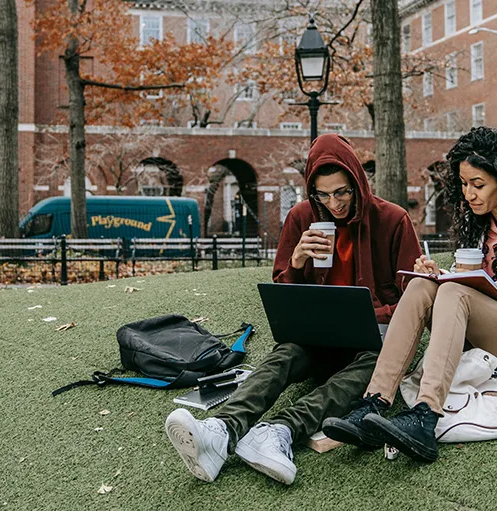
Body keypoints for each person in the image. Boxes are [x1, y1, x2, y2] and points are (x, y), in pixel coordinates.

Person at [164, 134, 422, 484]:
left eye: (343, 192)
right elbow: (284, 296)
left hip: (371, 341)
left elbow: (413, 300)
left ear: (359, 183)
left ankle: (279, 431)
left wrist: (373, 312)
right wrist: (298, 261)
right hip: (317, 338)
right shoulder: (301, 217)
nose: (335, 203)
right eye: (323, 194)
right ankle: (220, 431)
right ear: (311, 191)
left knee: (374, 365)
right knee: (284, 354)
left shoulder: (393, 219)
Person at [323, 126, 497, 462]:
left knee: (455, 294)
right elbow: (474, 287)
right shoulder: (479, 226)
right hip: (482, 333)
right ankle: (373, 402)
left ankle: (425, 415)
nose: (469, 194)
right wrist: (443, 275)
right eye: (464, 185)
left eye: (478, 185)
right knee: (423, 285)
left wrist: (489, 288)